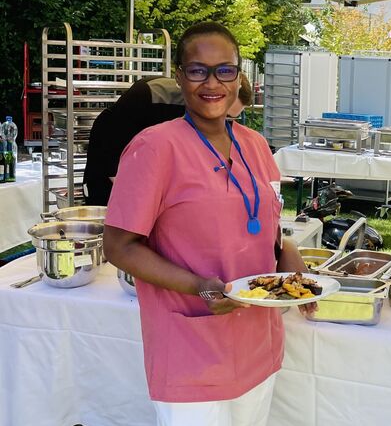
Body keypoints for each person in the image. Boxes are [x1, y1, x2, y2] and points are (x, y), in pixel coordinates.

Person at [102, 22, 309, 426]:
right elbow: (119, 246)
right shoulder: (154, 147)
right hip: (190, 347)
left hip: (256, 341)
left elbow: (270, 226)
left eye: (224, 70)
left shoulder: (255, 145)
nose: (212, 82)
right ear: (180, 76)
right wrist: (200, 287)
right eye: (198, 70)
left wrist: (292, 262)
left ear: (239, 75)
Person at [84, 73, 253, 206]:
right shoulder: (153, 96)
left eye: (230, 119)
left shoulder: (202, 112)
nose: (224, 123)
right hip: (108, 155)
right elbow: (111, 148)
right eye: (226, 115)